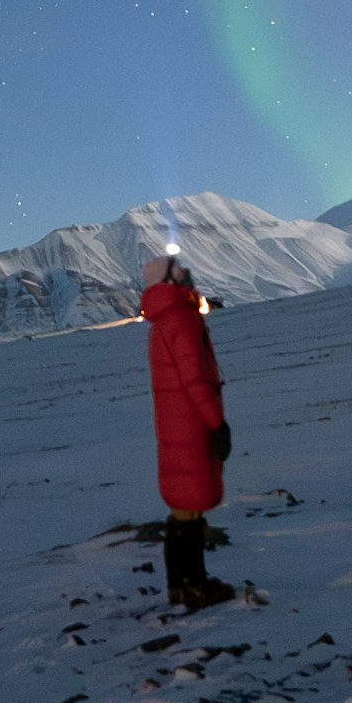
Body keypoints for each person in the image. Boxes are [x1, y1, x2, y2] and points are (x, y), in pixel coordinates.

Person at [138, 249, 234, 608]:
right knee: (190, 512)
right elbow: (196, 382)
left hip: (175, 426)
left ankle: (180, 586)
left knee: (183, 511)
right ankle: (194, 587)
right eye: (183, 273)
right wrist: (216, 423)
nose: (190, 278)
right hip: (191, 427)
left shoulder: (165, 322)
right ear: (173, 282)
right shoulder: (182, 321)